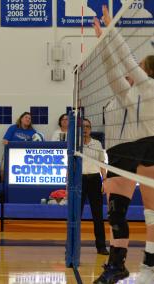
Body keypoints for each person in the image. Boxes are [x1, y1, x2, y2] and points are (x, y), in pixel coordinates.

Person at [93, 6, 154, 283]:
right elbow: (111, 70)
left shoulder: (147, 88)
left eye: (141, 67)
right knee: (116, 215)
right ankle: (117, 265)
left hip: (140, 148)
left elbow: (126, 61)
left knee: (148, 211)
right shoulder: (125, 94)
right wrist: (103, 42)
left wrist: (110, 31)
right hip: (120, 152)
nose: (135, 68)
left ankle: (146, 260)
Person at [81, 119, 108, 255]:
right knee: (76, 216)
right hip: (79, 181)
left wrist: (105, 181)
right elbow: (70, 165)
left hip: (94, 180)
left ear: (90, 129)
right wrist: (67, 184)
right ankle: (73, 245)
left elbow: (102, 163)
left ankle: (101, 246)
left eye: (87, 126)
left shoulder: (96, 143)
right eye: (83, 126)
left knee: (97, 215)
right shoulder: (75, 144)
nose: (85, 129)